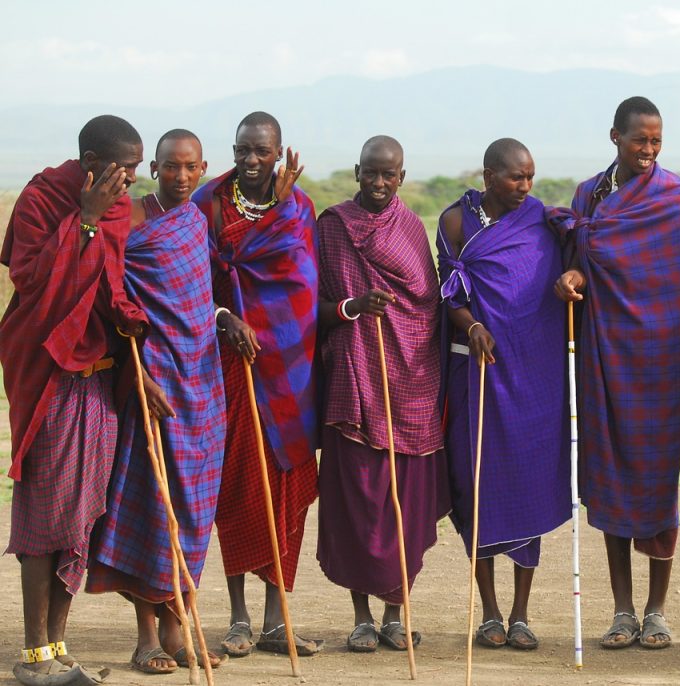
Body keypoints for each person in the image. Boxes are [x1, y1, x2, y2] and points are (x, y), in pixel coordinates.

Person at [2, 115, 148, 685]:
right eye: (125, 170)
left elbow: (108, 283)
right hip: (49, 377)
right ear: (92, 163)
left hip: (97, 377)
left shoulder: (114, 207)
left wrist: (130, 319)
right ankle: (34, 653)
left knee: (81, 513)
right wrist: (82, 219)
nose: (131, 182)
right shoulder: (44, 198)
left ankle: (59, 646)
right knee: (44, 512)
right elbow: (35, 285)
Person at [550, 96, 680, 650]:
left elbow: (677, 283)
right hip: (603, 351)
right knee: (607, 468)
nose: (650, 150)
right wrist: (570, 277)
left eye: (657, 141)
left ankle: (657, 611)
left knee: (658, 475)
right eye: (640, 140)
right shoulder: (589, 195)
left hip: (659, 358)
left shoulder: (677, 200)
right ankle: (621, 610)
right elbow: (575, 261)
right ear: (616, 136)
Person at [85, 129, 227, 673]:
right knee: (152, 499)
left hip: (204, 384)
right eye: (171, 167)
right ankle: (148, 635)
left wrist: (224, 317)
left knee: (194, 506)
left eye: (192, 167)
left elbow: (198, 295)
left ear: (203, 167)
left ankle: (180, 622)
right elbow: (113, 301)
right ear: (155, 170)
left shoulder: (197, 220)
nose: (182, 177)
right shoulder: (134, 222)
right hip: (155, 380)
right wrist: (136, 372)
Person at [192, 111, 322, 657]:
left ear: (278, 153)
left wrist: (281, 210)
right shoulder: (210, 203)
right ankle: (239, 616)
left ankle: (276, 620)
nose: (249, 161)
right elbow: (193, 279)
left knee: (286, 488)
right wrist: (224, 316)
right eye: (242, 150)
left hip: (288, 370)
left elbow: (304, 286)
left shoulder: (300, 208)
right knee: (238, 486)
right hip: (228, 362)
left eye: (260, 152)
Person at [316, 136, 448, 652]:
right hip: (355, 379)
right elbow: (317, 306)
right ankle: (362, 616)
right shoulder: (332, 226)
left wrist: (402, 336)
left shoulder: (412, 228)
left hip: (410, 385)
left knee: (403, 504)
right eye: (369, 173)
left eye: (387, 175)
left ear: (401, 177)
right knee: (358, 503)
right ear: (356, 171)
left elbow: (427, 306)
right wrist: (353, 306)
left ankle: (397, 613)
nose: (377, 183)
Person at [437, 138, 569, 650]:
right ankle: (489, 611)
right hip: (477, 373)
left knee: (528, 482)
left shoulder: (542, 221)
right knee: (476, 487)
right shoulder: (454, 222)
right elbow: (449, 291)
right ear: (489, 175)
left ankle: (521, 613)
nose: (526, 187)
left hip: (533, 374)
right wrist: (469, 325)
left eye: (531, 176)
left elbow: (569, 268)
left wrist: (573, 275)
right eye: (516, 177)